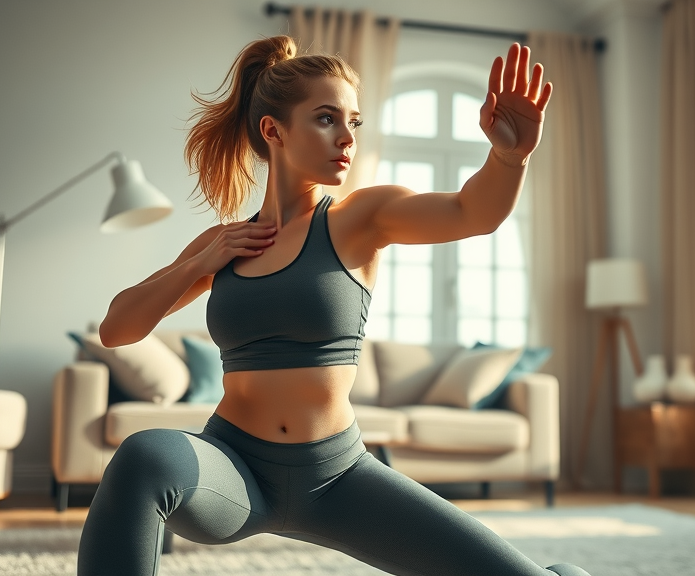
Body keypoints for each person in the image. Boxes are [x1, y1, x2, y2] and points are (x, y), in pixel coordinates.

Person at [77, 34, 590, 576]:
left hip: (337, 477)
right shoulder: (224, 243)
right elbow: (116, 329)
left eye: (354, 122)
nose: (347, 137)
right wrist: (198, 263)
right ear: (274, 130)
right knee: (144, 457)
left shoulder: (360, 218)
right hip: (233, 469)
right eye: (327, 118)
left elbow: (471, 212)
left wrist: (508, 157)